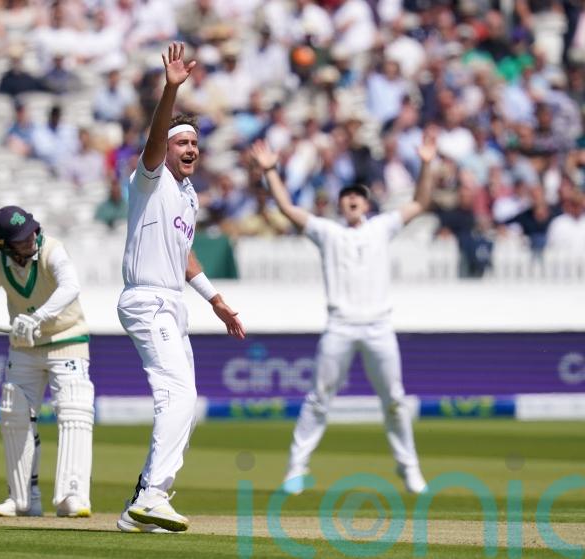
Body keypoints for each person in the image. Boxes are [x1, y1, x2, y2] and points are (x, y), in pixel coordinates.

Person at [248, 130, 438, 496]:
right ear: (341, 205)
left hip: (379, 326)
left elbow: (420, 202)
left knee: (395, 400)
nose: (352, 200)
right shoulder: (327, 232)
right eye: (346, 197)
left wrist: (427, 163)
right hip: (340, 326)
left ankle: (410, 469)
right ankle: (295, 468)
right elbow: (288, 209)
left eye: (357, 197)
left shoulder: (382, 227)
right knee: (319, 398)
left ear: (367, 205)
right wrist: (271, 171)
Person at [116, 43, 246, 534]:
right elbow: (153, 140)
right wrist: (171, 89)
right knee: (178, 395)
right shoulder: (149, 180)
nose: (190, 150)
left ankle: (139, 507)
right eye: (181, 143)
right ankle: (152, 494)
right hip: (146, 298)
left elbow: (184, 254)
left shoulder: (188, 194)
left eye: (195, 144)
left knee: (185, 402)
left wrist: (216, 300)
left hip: (172, 301)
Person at [0, 205, 94, 519]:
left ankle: (72, 496)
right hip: (24, 347)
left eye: (31, 231)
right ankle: (22, 499)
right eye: (20, 238)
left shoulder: (53, 251)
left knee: (74, 412)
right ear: (3, 245)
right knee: (14, 413)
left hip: (67, 340)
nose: (30, 239)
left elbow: (71, 287)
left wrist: (39, 317)